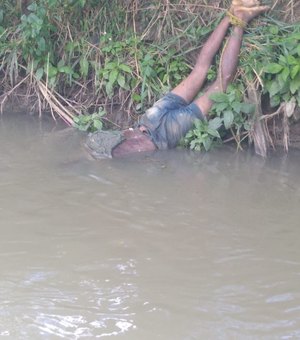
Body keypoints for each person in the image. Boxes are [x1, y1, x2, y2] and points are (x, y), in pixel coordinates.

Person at [86, 0, 269, 159]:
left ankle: (241, 20)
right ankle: (231, 14)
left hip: (166, 134)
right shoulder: (92, 144)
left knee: (221, 84)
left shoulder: (101, 158)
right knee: (198, 71)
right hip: (149, 119)